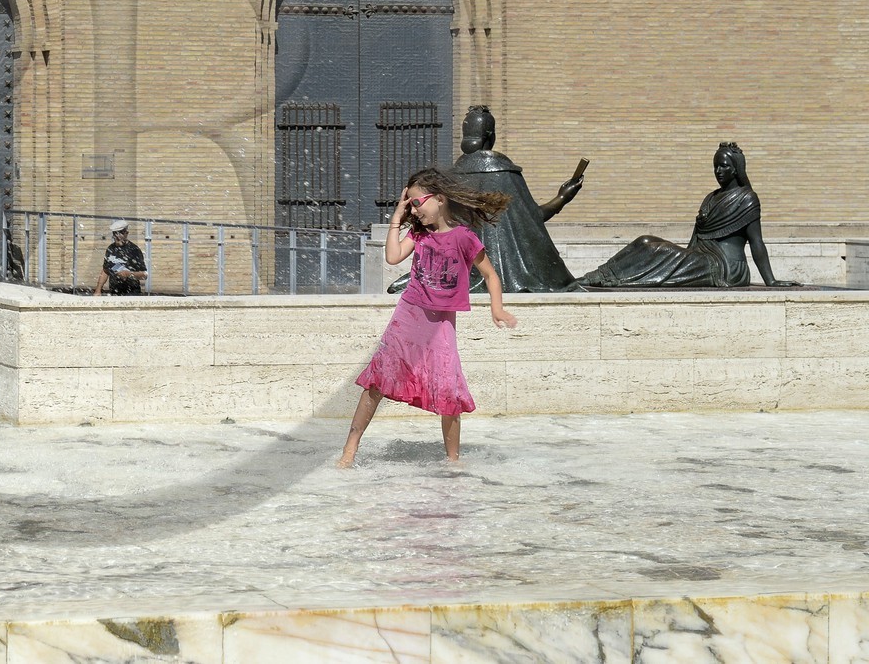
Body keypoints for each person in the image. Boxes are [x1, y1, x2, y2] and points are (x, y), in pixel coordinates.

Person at [340, 167, 518, 468]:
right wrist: (397, 216)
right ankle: (349, 452)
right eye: (409, 203)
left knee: (448, 389)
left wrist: (496, 308)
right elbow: (393, 257)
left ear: (440, 199)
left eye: (417, 202)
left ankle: (453, 461)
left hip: (440, 325)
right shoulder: (419, 234)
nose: (414, 209)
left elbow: (490, 275)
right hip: (408, 316)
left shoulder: (464, 238)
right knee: (377, 381)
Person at [573, 142, 796, 289]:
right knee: (645, 241)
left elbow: (757, 243)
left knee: (652, 249)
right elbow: (694, 241)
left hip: (726, 268)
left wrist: (771, 281)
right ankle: (598, 276)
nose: (718, 171)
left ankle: (606, 279)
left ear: (736, 169)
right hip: (700, 259)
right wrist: (682, 256)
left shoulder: (747, 199)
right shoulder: (711, 197)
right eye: (715, 166)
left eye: (724, 166)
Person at [452, 105, 584, 292]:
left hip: (462, 273)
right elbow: (533, 219)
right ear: (491, 136)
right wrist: (563, 197)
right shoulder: (506, 173)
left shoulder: (449, 178)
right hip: (515, 277)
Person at [92, 219, 148, 296]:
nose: (117, 236)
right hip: (114, 292)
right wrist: (98, 290)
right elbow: (105, 270)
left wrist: (129, 274)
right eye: (115, 233)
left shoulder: (134, 250)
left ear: (126, 233)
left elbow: (144, 275)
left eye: (120, 233)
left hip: (131, 293)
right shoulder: (110, 249)